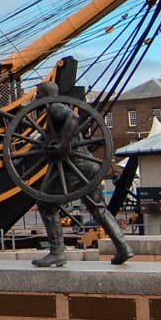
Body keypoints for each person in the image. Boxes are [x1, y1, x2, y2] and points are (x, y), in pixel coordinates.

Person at [30, 79, 134, 268]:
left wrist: (62, 144)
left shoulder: (55, 108)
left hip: (74, 167)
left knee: (45, 203)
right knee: (98, 209)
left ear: (45, 95)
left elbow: (73, 118)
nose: (36, 97)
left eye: (38, 94)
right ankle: (123, 246)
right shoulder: (54, 111)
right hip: (89, 166)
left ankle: (57, 252)